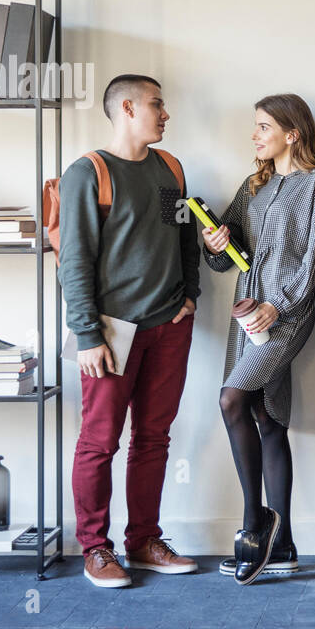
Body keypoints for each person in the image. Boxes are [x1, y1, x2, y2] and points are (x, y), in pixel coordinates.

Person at [60, 74, 201, 588]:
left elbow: (182, 236)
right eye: (157, 105)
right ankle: (95, 549)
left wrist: (190, 297)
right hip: (111, 332)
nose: (165, 115)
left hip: (169, 326)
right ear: (126, 107)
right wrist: (87, 335)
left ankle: (142, 541)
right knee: (100, 442)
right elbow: (74, 262)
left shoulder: (170, 170)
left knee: (153, 438)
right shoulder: (87, 173)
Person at [201, 94, 315, 585]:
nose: (254, 136)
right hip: (248, 311)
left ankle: (256, 524)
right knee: (265, 415)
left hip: (288, 314)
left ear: (292, 133)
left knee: (231, 399)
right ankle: (286, 545)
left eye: (263, 126)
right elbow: (227, 253)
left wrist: (282, 304)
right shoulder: (254, 184)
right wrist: (217, 243)